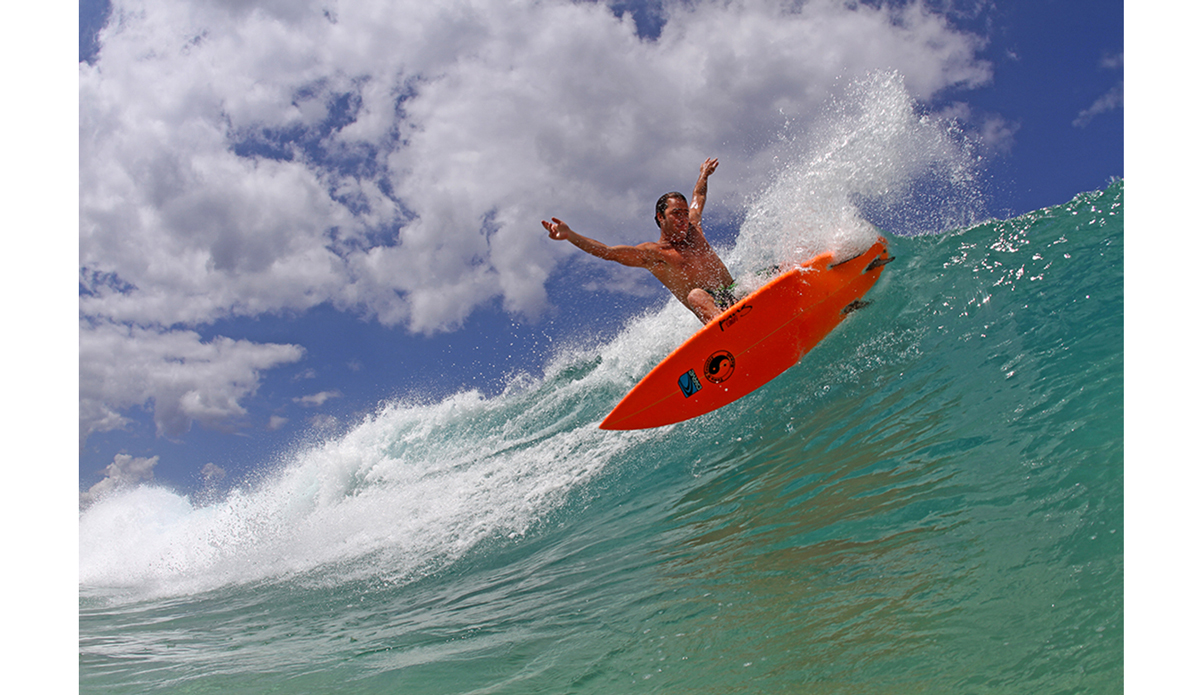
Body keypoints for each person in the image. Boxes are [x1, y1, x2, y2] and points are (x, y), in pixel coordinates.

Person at [541, 157, 737, 324]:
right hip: (717, 312)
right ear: (661, 217)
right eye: (676, 213)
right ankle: (733, 332)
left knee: (765, 272)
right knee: (695, 295)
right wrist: (571, 235)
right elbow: (609, 253)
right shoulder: (655, 254)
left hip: (738, 293)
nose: (683, 218)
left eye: (685, 213)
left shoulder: (694, 228)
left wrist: (704, 174)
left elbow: (698, 196)